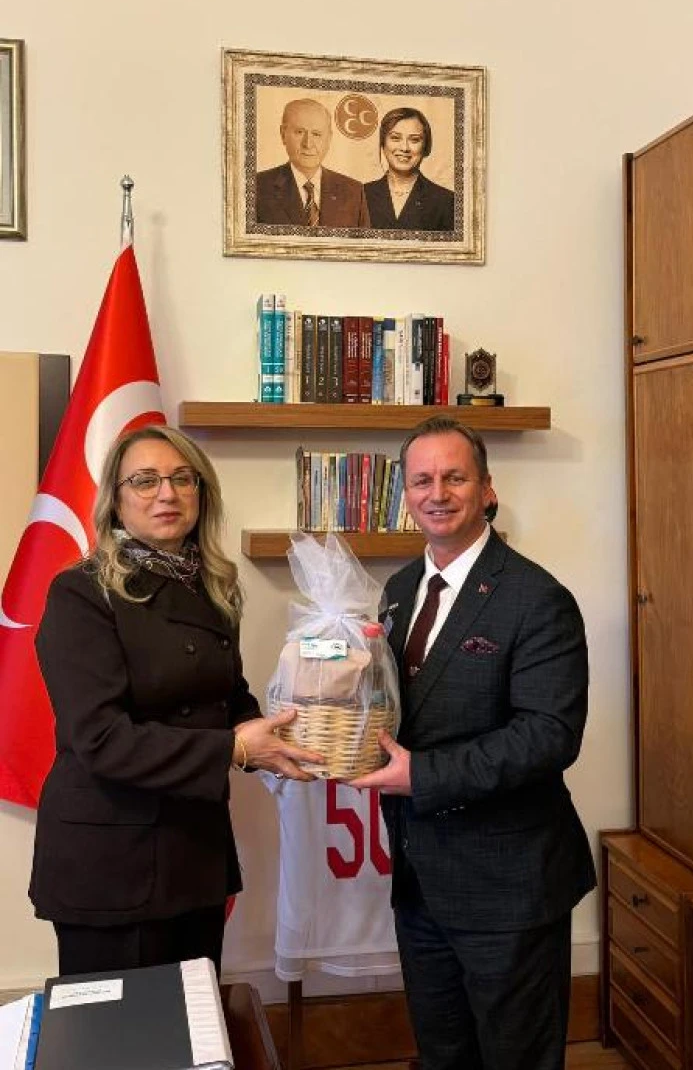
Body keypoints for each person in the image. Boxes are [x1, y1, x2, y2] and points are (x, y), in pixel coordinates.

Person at [29, 423, 322, 977]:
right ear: (115, 501)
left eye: (182, 479)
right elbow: (101, 739)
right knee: (123, 1028)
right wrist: (236, 749)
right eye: (145, 481)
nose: (167, 493)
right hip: (112, 862)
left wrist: (290, 730)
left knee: (194, 1020)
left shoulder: (210, 586)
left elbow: (226, 697)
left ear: (200, 493)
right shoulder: (81, 592)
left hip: (194, 850)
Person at [353, 416, 595, 1070]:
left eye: (454, 477)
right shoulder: (400, 589)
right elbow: (400, 708)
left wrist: (421, 776)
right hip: (421, 883)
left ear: (487, 489)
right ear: (405, 494)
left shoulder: (536, 598)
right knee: (443, 1055)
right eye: (422, 480)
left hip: (508, 887)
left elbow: (549, 735)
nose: (437, 493)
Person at [256, 96, 369, 227]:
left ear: (329, 139)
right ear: (283, 134)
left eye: (316, 134)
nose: (308, 144)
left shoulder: (353, 192)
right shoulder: (257, 187)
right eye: (299, 132)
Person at [364, 107, 455, 231]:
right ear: (383, 144)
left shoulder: (447, 201)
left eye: (414, 140)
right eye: (395, 138)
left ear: (426, 146)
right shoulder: (361, 195)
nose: (404, 148)